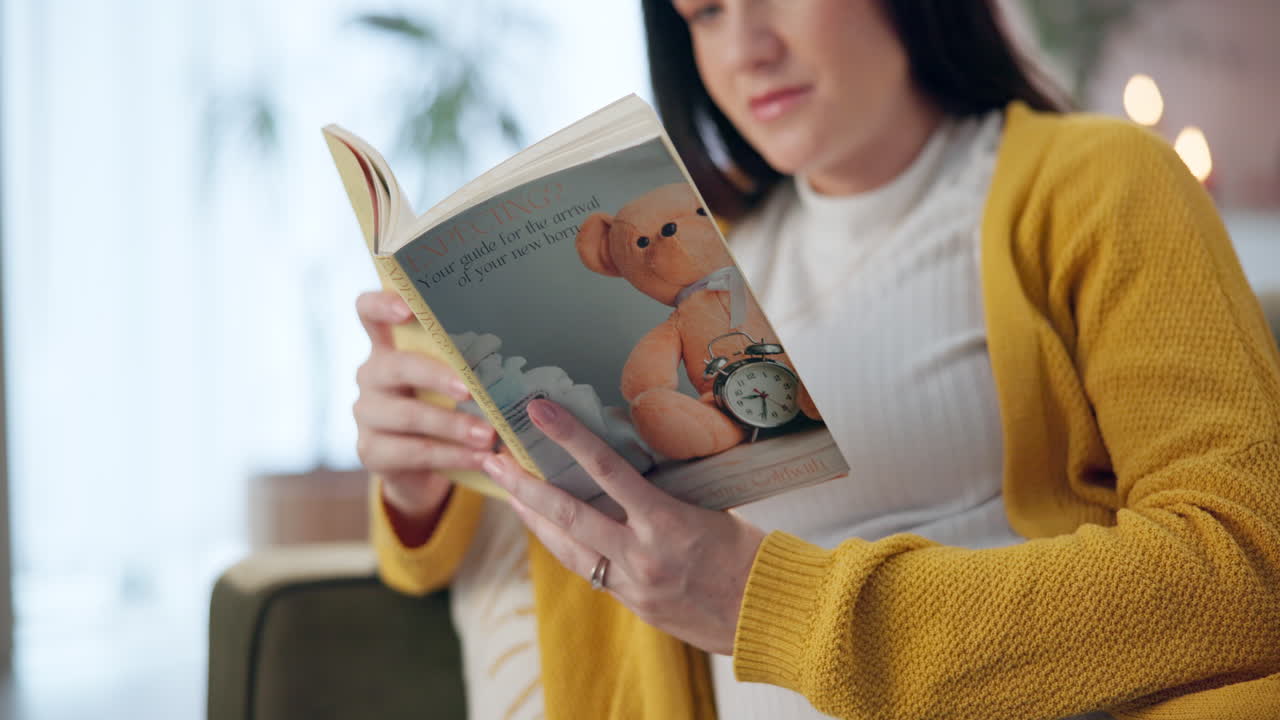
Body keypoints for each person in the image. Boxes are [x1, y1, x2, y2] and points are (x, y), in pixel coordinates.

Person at [353, 1, 1280, 718]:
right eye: (705, 12)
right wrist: (421, 475)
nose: (745, 46)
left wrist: (768, 601)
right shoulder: (695, 265)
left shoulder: (1097, 183)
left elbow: (1249, 564)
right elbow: (443, 572)